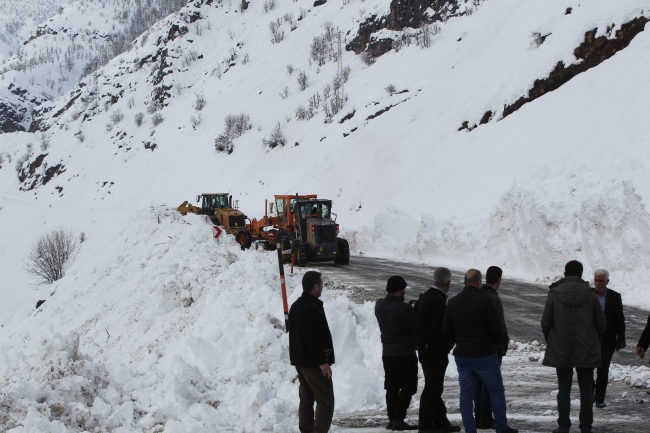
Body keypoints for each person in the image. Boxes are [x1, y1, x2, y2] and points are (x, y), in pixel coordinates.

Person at [442, 269, 518, 433]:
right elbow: (496, 329)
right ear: (478, 282)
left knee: (466, 393)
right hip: (485, 353)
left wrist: (459, 341)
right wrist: (491, 344)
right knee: (496, 389)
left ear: (464, 282)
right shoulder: (486, 301)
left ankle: (470, 428)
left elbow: (447, 330)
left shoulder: (453, 302)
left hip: (462, 354)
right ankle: (500, 427)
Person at [541, 260, 606, 433]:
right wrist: (593, 339)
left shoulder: (554, 293)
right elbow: (601, 322)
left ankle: (563, 426)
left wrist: (553, 340)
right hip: (586, 347)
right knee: (586, 390)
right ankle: (586, 426)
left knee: (564, 390)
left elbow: (546, 322)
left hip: (561, 347)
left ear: (565, 274)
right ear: (581, 274)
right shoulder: (591, 294)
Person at [289, 271, 335, 433]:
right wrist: (322, 362)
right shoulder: (311, 307)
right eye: (321, 284)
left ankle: (306, 429)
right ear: (315, 286)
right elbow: (312, 338)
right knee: (325, 400)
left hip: (301, 361)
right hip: (313, 363)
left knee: (307, 396)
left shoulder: (296, 305)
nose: (322, 286)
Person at [415, 267, 461, 433]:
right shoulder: (437, 301)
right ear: (448, 283)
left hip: (425, 348)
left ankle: (441, 421)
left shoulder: (427, 296)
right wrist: (444, 348)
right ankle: (426, 424)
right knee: (433, 388)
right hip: (433, 351)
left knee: (434, 387)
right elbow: (437, 331)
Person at [375, 276, 419, 431]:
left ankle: (392, 419)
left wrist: (404, 307)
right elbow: (415, 328)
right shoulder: (405, 309)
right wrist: (413, 311)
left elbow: (393, 313)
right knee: (408, 386)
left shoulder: (379, 305)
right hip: (405, 353)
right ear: (400, 290)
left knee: (392, 387)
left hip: (387, 353)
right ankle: (399, 419)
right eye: (404, 289)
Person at [474, 266, 509, 429]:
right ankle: (487, 417)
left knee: (479, 383)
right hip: (492, 348)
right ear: (499, 280)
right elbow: (499, 325)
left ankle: (480, 415)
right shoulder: (493, 299)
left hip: (479, 346)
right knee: (491, 385)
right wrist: (502, 344)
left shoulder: (479, 295)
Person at [592, 269, 626, 408]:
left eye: (601, 281)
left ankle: (600, 398)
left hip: (607, 338)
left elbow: (619, 319)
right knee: (586, 367)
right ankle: (590, 391)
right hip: (589, 338)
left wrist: (621, 338)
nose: (598, 284)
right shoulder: (588, 295)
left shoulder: (614, 297)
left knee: (603, 369)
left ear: (607, 282)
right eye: (596, 280)